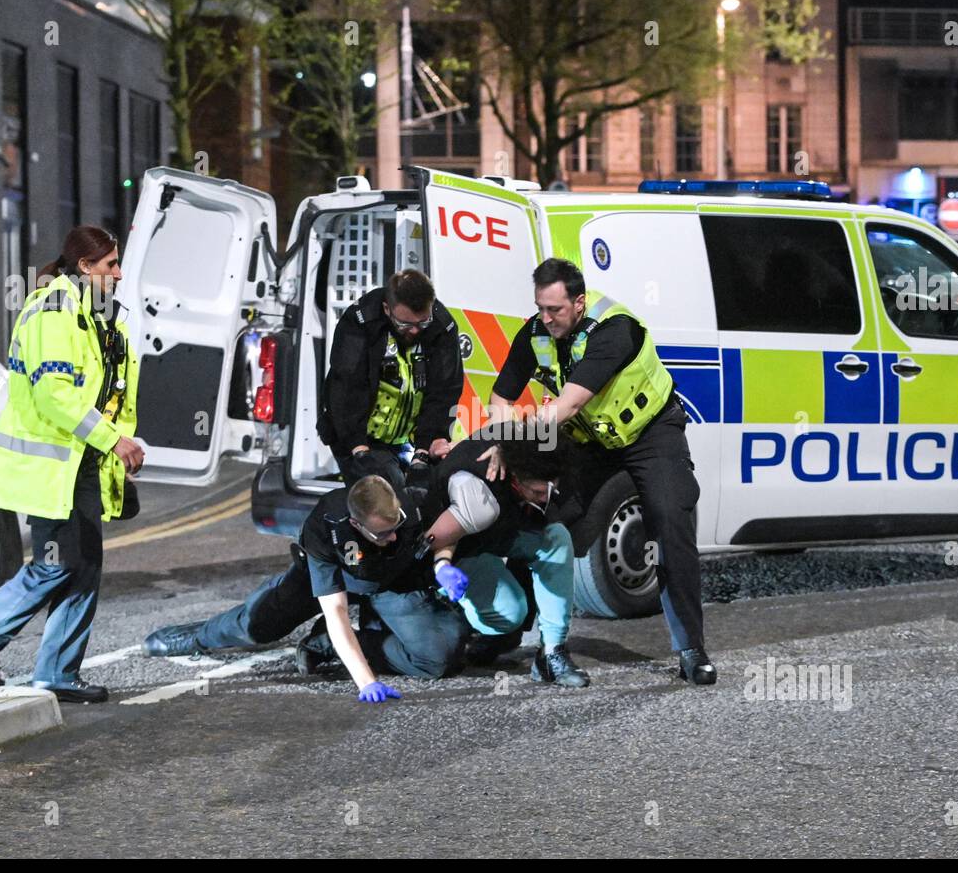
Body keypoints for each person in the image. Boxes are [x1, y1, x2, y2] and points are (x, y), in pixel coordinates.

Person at [487, 258, 717, 685]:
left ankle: (691, 650)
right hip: (591, 442)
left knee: (670, 520)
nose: (546, 317)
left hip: (650, 434)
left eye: (555, 309)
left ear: (578, 302)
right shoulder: (535, 332)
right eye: (540, 307)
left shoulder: (615, 329)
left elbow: (568, 405)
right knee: (550, 525)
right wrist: (500, 439)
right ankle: (516, 638)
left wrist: (519, 441)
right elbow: (499, 397)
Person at [0, 226, 145, 703]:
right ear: (84, 267)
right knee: (58, 565)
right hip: (51, 462)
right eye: (110, 265)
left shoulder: (100, 315)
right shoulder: (54, 310)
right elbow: (54, 394)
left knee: (84, 566)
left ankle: (57, 672)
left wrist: (116, 446)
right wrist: (113, 441)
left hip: (81, 461)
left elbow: (112, 388)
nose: (119, 273)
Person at [142, 476, 472, 700]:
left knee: (436, 657)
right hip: (336, 580)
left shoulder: (412, 502)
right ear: (357, 525)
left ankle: (323, 644)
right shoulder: (326, 528)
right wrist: (366, 681)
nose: (395, 537)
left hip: (389, 582)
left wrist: (442, 564)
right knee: (258, 624)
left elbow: (447, 534)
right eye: (384, 534)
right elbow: (337, 611)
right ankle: (196, 637)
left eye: (397, 527)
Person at [428, 424, 588, 687]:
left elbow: (519, 426)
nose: (545, 498)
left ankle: (551, 653)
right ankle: (461, 616)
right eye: (536, 492)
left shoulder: (541, 461)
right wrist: (442, 567)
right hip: (462, 548)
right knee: (509, 615)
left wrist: (504, 444)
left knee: (557, 538)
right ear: (514, 476)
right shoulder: (474, 485)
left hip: (501, 532)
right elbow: (436, 540)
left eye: (549, 490)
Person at [317, 269, 464, 491]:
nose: (415, 331)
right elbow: (345, 389)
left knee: (427, 494)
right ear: (387, 309)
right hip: (360, 436)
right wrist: (359, 450)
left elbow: (445, 390)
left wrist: (424, 452)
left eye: (422, 323)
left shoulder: (441, 326)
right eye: (405, 325)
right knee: (384, 496)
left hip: (411, 436)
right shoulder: (361, 321)